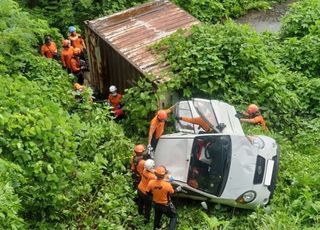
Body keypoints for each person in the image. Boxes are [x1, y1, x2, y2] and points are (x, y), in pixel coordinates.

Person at [146, 166, 177, 230]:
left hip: (156, 204)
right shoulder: (167, 185)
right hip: (165, 205)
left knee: (157, 217)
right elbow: (172, 193)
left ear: (155, 174)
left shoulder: (151, 182)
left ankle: (155, 228)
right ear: (164, 175)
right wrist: (177, 189)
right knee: (173, 217)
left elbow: (147, 193)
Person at [137, 159, 156, 224]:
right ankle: (146, 221)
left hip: (140, 189)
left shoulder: (144, 170)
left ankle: (139, 213)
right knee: (148, 208)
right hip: (146, 193)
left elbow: (153, 171)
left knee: (140, 203)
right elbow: (158, 179)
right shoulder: (152, 177)